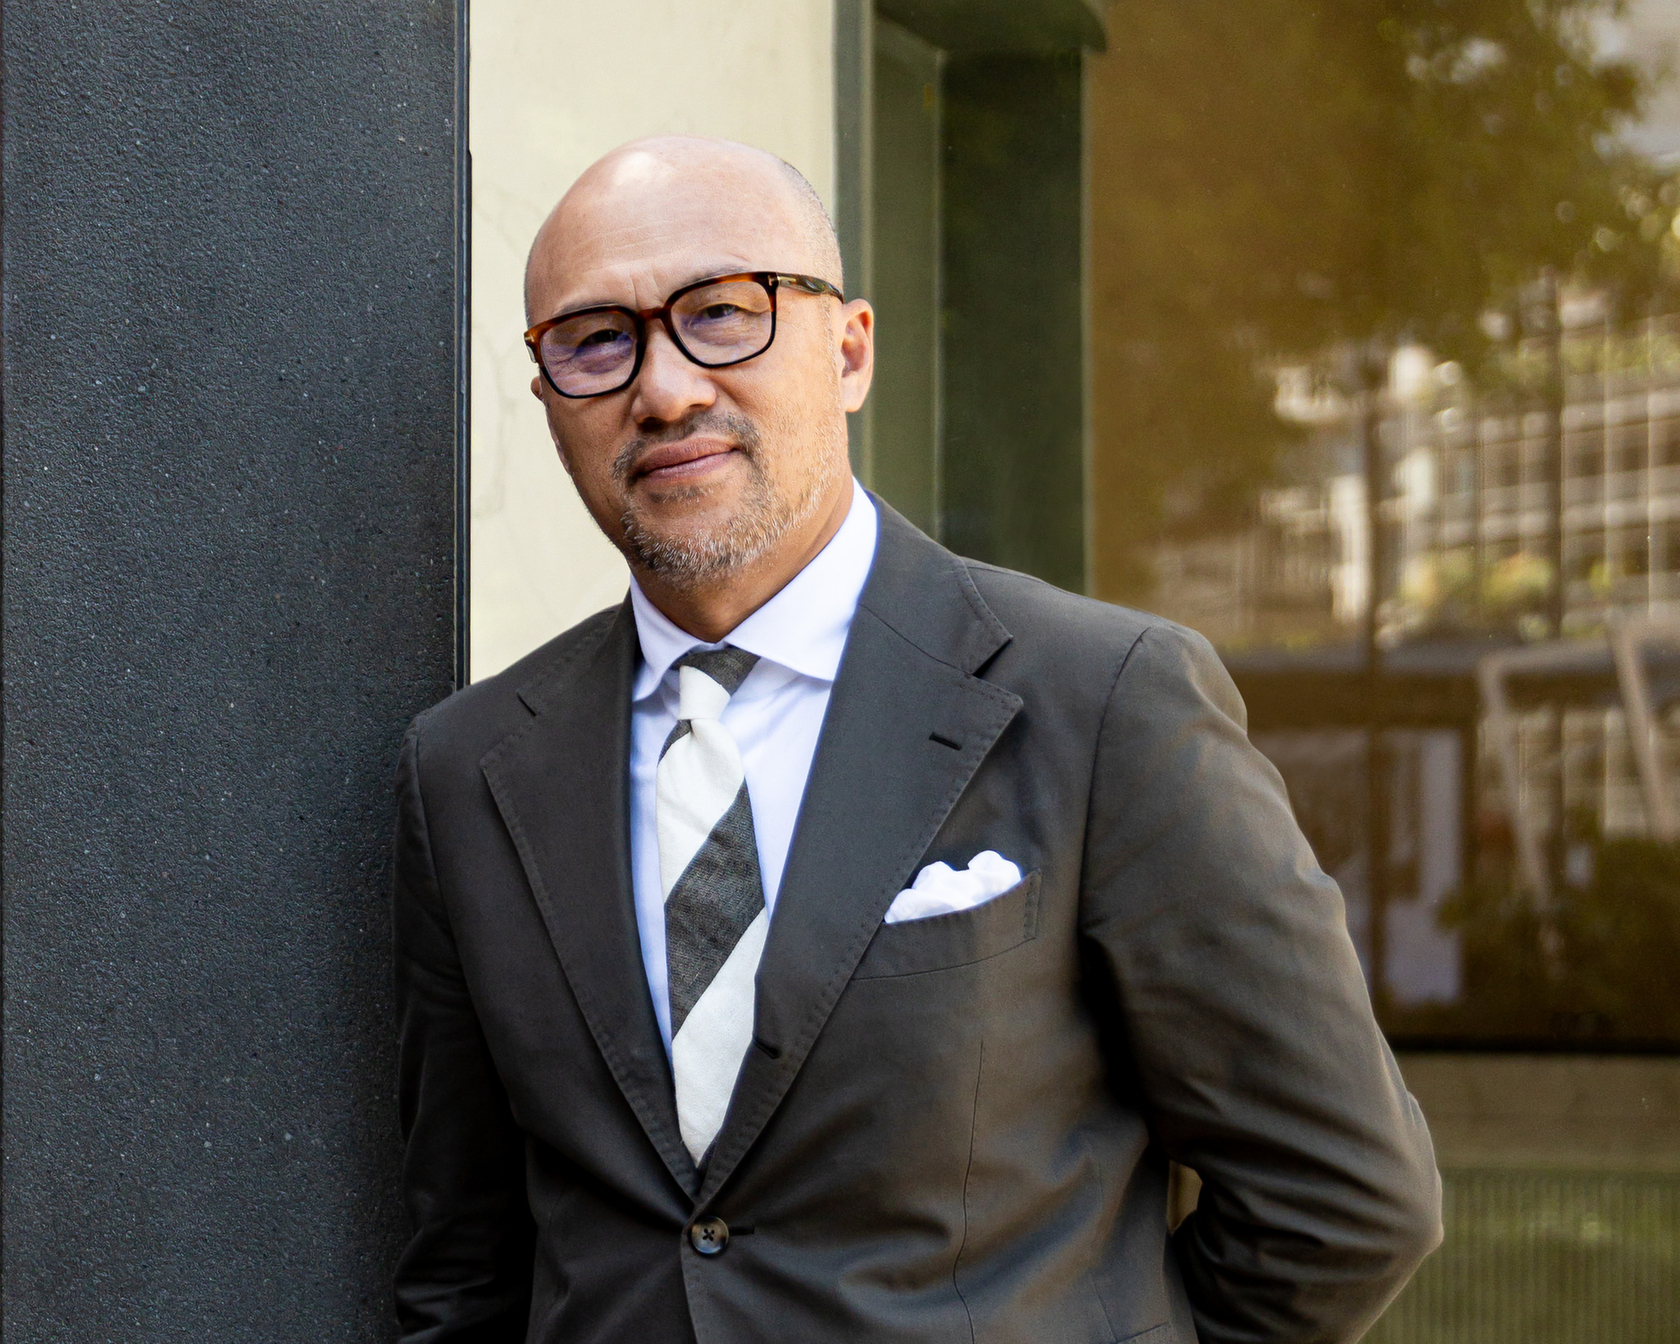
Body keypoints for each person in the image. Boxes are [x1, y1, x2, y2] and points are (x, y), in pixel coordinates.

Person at [390, 135, 1441, 1344]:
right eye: (594, 339)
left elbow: (1349, 1202)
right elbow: (464, 1266)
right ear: (547, 398)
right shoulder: (466, 772)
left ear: (849, 350)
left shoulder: (1104, 703)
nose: (665, 386)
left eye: (723, 313)